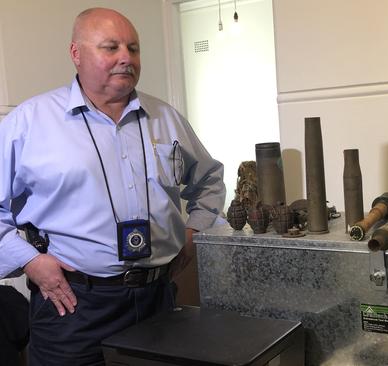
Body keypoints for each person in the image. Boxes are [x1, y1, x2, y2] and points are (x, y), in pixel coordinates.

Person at [0, 7, 226, 365]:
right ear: (76, 53)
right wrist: (30, 261)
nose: (126, 58)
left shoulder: (165, 118)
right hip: (73, 307)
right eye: (111, 48)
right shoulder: (30, 122)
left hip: (157, 299)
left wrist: (195, 229)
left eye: (133, 48)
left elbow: (209, 179)